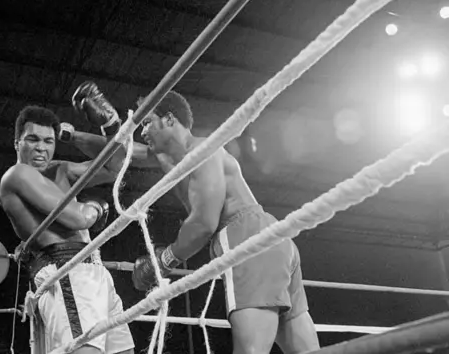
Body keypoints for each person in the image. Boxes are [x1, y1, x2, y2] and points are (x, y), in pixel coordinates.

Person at [69, 84, 320, 354]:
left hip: (246, 237)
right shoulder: (167, 157)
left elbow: (203, 223)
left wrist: (163, 261)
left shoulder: (203, 152)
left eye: (147, 122)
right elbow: (121, 154)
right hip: (273, 239)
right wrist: (72, 135)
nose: (141, 131)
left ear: (169, 119)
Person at [0, 104, 135, 354]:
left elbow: (115, 166)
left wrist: (110, 127)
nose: (42, 148)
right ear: (17, 143)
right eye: (32, 139)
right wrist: (97, 206)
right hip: (67, 270)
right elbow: (76, 219)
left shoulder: (59, 169)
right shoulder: (17, 175)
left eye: (49, 141)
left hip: (93, 269)